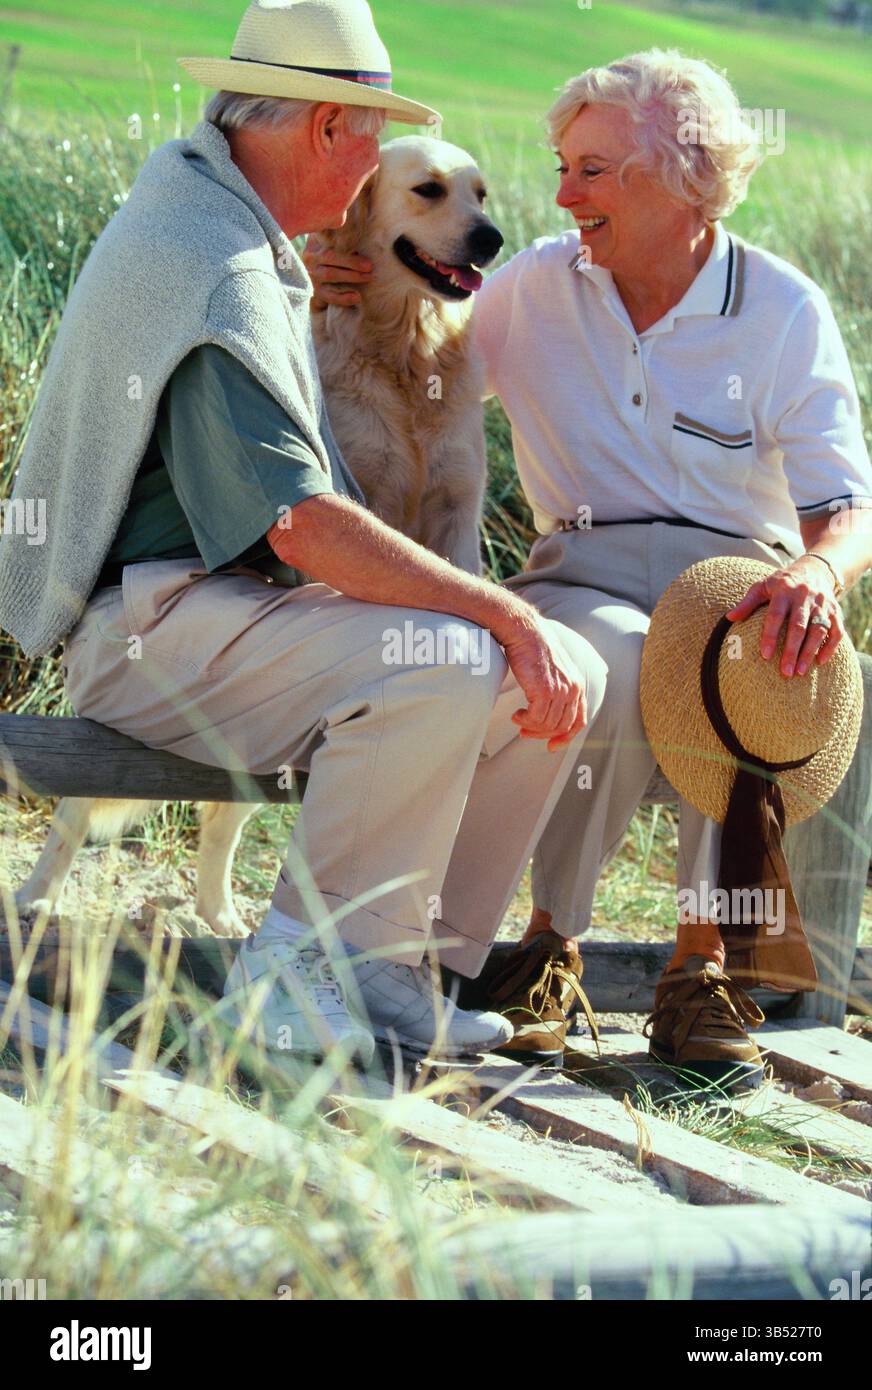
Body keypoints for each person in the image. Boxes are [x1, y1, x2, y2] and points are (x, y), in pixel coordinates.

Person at [0, 0, 616, 1068]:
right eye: (373, 136)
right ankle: (288, 977)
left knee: (554, 673)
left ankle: (395, 966)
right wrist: (499, 607)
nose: (372, 166)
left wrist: (515, 630)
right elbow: (299, 528)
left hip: (230, 615)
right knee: (447, 660)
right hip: (145, 630)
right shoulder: (218, 263)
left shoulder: (225, 222)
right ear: (329, 130)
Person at [305, 48, 872, 1079]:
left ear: (681, 176)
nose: (559, 195)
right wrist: (323, 274)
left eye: (593, 171)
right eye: (562, 166)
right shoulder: (527, 291)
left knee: (743, 666)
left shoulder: (781, 310)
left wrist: (817, 575)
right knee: (595, 663)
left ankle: (703, 970)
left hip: (738, 579)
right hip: (583, 570)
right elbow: (411, 348)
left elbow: (847, 506)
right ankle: (541, 947)